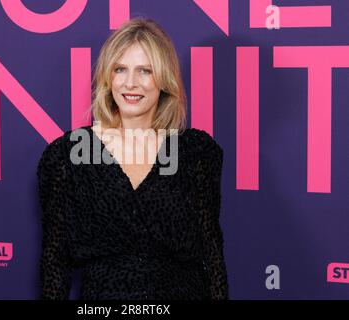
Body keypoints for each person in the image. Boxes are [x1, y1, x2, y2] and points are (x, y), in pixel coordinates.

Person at [36, 17, 228, 300]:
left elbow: (212, 254)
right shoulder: (69, 155)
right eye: (121, 69)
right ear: (107, 77)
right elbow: (55, 260)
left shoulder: (194, 152)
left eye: (145, 71)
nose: (130, 83)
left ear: (163, 79)